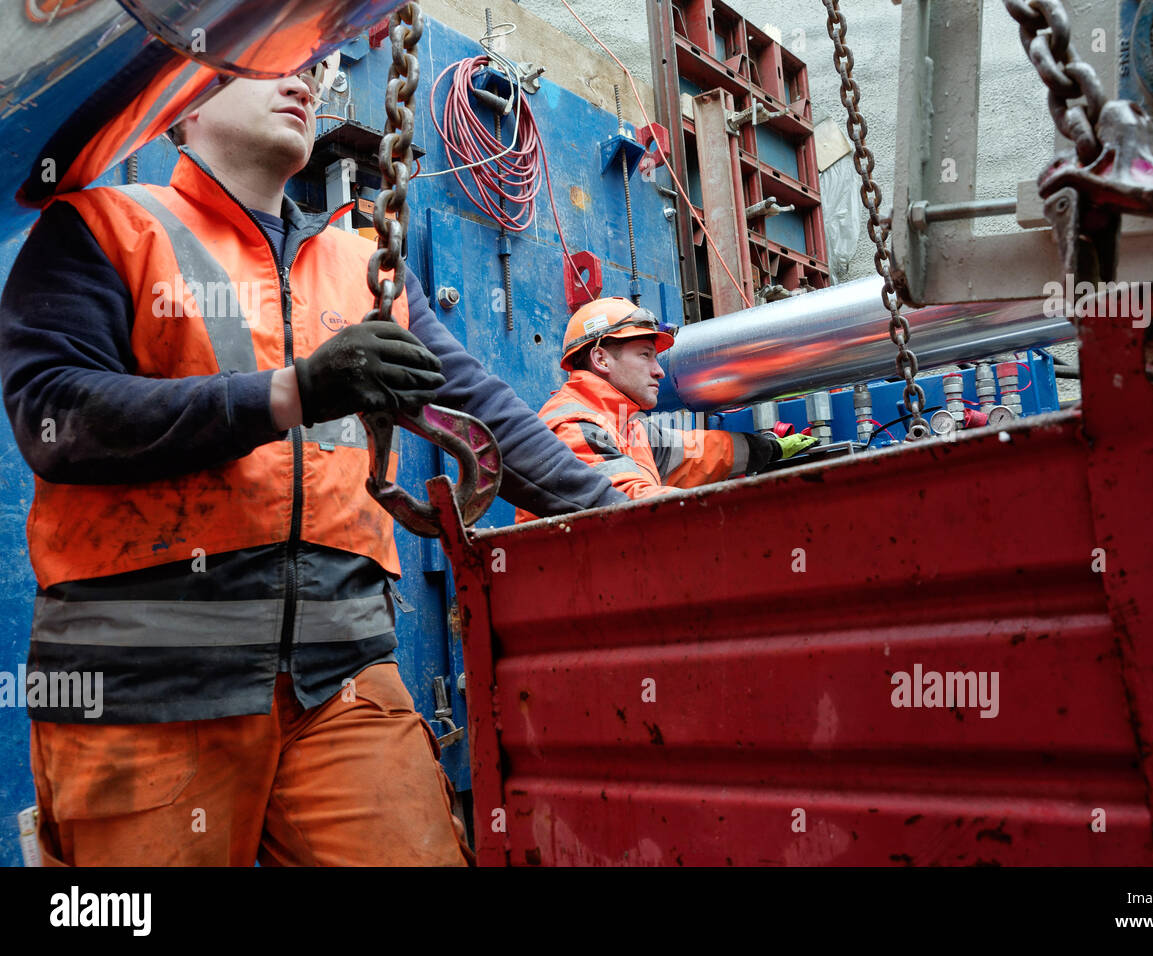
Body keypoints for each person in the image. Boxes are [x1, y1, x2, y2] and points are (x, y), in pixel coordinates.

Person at [0, 66, 628, 866]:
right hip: (147, 693)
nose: (298, 81)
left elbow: (487, 416)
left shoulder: (364, 269)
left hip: (342, 683)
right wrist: (291, 393)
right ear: (179, 110)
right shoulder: (104, 227)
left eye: (306, 68)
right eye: (261, 67)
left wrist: (621, 514)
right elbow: (55, 416)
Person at [516, 297, 816, 522]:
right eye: (646, 355)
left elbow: (697, 454)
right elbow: (626, 500)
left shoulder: (625, 425)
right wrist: (736, 515)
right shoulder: (574, 426)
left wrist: (768, 448)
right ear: (601, 359)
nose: (659, 371)